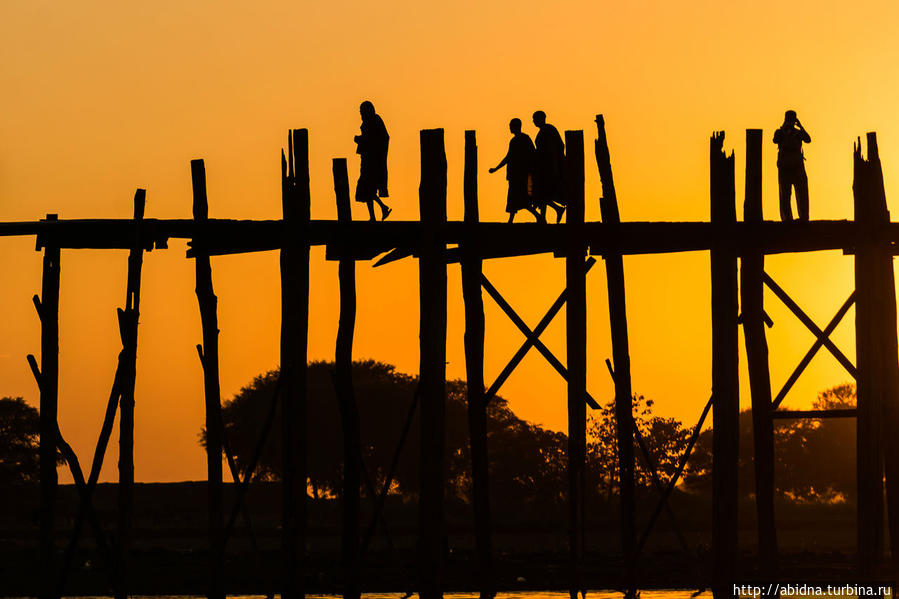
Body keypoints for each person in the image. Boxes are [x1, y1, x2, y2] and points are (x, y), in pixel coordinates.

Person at [489, 118, 539, 223]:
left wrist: (531, 170)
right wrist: (496, 168)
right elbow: (509, 157)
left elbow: (532, 154)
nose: (509, 128)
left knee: (519, 198)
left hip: (520, 175)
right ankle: (512, 220)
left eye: (511, 126)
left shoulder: (524, 138)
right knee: (514, 198)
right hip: (514, 174)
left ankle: (537, 217)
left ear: (516, 126)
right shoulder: (514, 140)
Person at [354, 101, 392, 221]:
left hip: (372, 163)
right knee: (367, 190)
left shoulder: (374, 121)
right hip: (367, 161)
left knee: (367, 189)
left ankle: (380, 210)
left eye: (362, 111)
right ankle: (378, 211)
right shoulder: (369, 122)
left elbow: (373, 140)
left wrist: (359, 139)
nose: (360, 114)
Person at [773, 110, 811, 222]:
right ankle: (787, 218)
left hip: (797, 166)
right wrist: (784, 128)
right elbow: (775, 140)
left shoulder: (798, 133)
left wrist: (801, 126)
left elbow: (808, 139)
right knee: (785, 193)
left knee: (801, 191)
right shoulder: (780, 132)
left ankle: (803, 217)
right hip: (785, 166)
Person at [532, 110, 566, 223]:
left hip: (549, 167)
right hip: (542, 167)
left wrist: (555, 166)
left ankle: (554, 211)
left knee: (544, 192)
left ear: (541, 119)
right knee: (542, 191)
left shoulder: (548, 130)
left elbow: (557, 148)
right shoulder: (544, 130)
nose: (533, 121)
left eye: (534, 119)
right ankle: (544, 216)